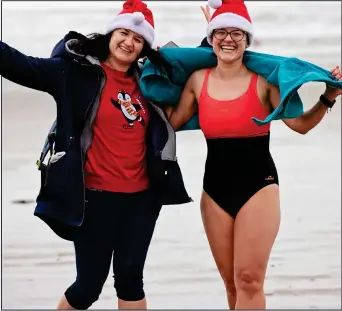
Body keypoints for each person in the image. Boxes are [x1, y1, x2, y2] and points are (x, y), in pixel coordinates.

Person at [0, 0, 192, 309]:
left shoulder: (151, 82)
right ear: (111, 34)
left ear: (145, 47)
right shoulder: (73, 73)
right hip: (94, 198)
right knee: (88, 287)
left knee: (131, 280)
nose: (129, 42)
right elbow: (20, 64)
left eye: (139, 38)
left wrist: (219, 35)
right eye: (124, 33)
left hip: (142, 198)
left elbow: (202, 70)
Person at [165, 0, 342, 309]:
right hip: (214, 193)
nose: (229, 39)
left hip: (258, 188)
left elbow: (299, 125)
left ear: (247, 39)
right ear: (210, 38)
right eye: (221, 32)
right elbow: (170, 124)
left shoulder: (265, 82)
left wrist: (328, 97)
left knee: (249, 280)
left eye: (237, 33)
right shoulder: (197, 81)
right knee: (232, 284)